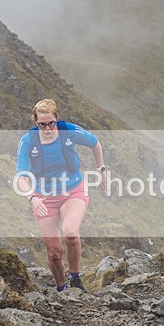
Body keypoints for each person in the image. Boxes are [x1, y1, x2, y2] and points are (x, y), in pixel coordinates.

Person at [15, 99, 107, 292]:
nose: (47, 128)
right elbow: (21, 177)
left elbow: (95, 143)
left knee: (71, 233)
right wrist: (33, 197)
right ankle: (62, 289)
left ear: (56, 118)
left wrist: (101, 170)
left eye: (51, 123)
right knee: (54, 254)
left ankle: (75, 278)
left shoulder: (69, 131)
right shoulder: (27, 141)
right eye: (42, 124)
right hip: (44, 197)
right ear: (36, 123)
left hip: (73, 190)